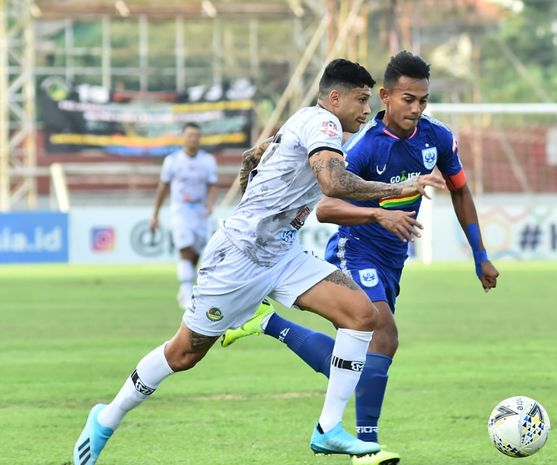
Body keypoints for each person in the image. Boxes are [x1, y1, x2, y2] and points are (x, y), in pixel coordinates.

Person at [72, 58, 447, 465]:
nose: (364, 109)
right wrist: (397, 190)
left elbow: (261, 153)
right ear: (334, 98)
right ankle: (105, 418)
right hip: (238, 258)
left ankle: (328, 429)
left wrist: (259, 160)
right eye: (360, 99)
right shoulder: (323, 124)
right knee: (184, 354)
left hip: (281, 254)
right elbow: (334, 183)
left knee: (360, 314)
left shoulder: (306, 122)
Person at [221, 51, 500, 465]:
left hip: (392, 258)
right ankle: (365, 445)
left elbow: (460, 189)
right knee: (383, 335)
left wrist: (480, 254)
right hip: (356, 249)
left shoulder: (437, 138)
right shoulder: (365, 146)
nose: (417, 108)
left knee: (354, 360)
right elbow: (327, 208)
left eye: (423, 100)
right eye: (408, 99)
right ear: (385, 96)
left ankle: (267, 322)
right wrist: (379, 214)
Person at [150, 122, 218, 309]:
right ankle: (187, 293)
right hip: (181, 209)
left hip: (200, 211)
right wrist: (155, 214)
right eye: (190, 135)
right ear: (183, 138)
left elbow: (212, 185)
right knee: (186, 249)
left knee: (196, 252)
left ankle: (185, 290)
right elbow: (163, 187)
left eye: (196, 135)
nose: (193, 139)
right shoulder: (172, 161)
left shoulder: (207, 160)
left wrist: (210, 203)